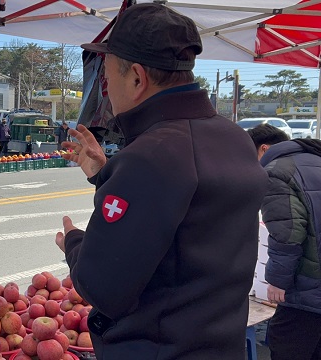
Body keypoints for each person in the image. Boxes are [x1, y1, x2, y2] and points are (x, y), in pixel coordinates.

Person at [54, 4, 268, 359]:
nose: (106, 90)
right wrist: (106, 174)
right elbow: (184, 214)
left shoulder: (151, 155)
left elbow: (103, 287)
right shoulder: (234, 138)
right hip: (219, 345)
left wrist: (75, 243)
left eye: (108, 78)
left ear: (137, 78)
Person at [248, 123, 321, 360]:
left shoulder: (277, 171)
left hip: (308, 288)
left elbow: (288, 233)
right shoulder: (313, 159)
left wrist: (277, 282)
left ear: (263, 149)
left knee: (285, 342)